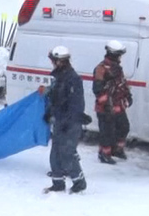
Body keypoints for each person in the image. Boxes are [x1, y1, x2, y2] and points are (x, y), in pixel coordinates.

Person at [41, 46, 87, 194]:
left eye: (54, 61)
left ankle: (79, 183)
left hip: (70, 122)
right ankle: (58, 183)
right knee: (55, 153)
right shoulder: (59, 78)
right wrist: (49, 113)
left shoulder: (72, 79)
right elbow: (56, 100)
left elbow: (76, 104)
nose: (52, 64)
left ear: (60, 61)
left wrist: (69, 121)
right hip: (59, 121)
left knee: (67, 152)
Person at [93, 40, 132, 164]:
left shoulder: (117, 68)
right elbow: (97, 89)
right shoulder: (101, 69)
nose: (120, 57)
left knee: (124, 127)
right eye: (119, 54)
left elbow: (122, 83)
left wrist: (128, 95)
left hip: (118, 105)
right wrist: (107, 104)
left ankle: (117, 149)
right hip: (105, 107)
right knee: (107, 131)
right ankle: (104, 153)